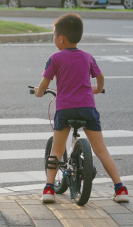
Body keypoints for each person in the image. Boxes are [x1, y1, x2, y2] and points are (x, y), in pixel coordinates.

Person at [34, 13, 128, 203]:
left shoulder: (55, 58)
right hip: (87, 109)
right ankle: (120, 189)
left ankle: (49, 189)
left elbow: (44, 85)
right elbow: (100, 78)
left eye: (54, 35)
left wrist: (38, 92)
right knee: (101, 150)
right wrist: (97, 89)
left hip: (65, 109)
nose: (54, 39)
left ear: (61, 38)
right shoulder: (87, 57)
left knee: (57, 149)